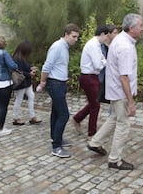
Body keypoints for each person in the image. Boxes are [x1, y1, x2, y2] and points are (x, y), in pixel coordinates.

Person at [86, 13, 143, 170]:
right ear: (131, 28)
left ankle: (95, 142)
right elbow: (124, 77)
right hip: (121, 92)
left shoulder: (119, 39)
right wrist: (131, 101)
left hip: (114, 90)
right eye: (140, 26)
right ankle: (114, 159)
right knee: (123, 123)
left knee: (114, 118)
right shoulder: (125, 47)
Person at [39, 23, 81, 158]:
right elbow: (47, 66)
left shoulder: (64, 47)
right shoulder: (57, 46)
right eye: (74, 36)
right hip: (54, 84)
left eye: (77, 37)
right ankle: (56, 147)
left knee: (56, 113)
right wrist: (43, 82)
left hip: (60, 82)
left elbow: (59, 65)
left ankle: (56, 138)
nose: (76, 39)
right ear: (66, 34)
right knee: (64, 114)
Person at [72, 25, 109, 139]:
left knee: (94, 103)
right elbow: (98, 65)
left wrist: (103, 61)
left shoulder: (97, 44)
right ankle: (91, 133)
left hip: (92, 77)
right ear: (102, 34)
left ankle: (77, 118)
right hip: (89, 77)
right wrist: (104, 62)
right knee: (95, 105)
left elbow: (101, 61)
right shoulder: (93, 45)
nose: (107, 39)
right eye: (106, 36)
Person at [12, 41, 42, 126]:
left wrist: (31, 68)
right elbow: (19, 72)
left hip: (26, 82)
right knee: (19, 99)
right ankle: (16, 117)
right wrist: (30, 74)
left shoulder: (22, 57)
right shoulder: (17, 59)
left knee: (31, 96)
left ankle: (32, 116)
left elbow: (26, 67)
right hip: (21, 83)